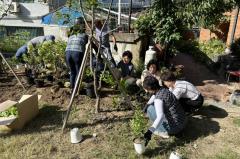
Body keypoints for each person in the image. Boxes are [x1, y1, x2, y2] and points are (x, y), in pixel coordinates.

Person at [142, 76, 187, 146]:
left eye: (146, 89)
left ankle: (163, 132)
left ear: (150, 88)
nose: (146, 91)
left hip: (176, 128)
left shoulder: (158, 99)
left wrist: (150, 132)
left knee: (150, 109)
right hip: (183, 121)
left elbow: (160, 116)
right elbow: (154, 96)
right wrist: (147, 104)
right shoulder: (163, 89)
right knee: (150, 106)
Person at [65, 24, 88, 89]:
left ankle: (72, 89)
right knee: (78, 72)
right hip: (77, 52)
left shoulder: (71, 36)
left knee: (72, 72)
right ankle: (77, 89)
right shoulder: (84, 35)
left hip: (67, 52)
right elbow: (86, 43)